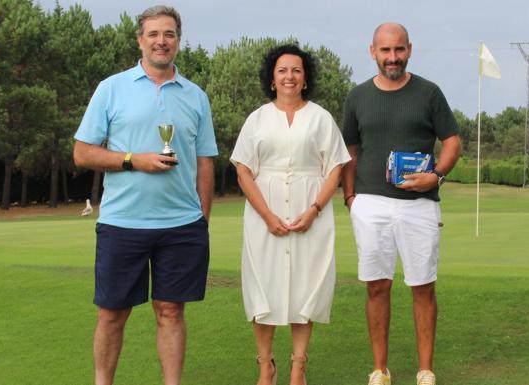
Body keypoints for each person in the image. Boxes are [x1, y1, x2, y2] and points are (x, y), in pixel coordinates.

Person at [72, 6, 217, 385]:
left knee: (170, 312)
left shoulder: (195, 96)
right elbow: (82, 152)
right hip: (122, 224)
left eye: (169, 34)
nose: (161, 41)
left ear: (179, 41)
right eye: (153, 34)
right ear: (140, 40)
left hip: (181, 226)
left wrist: (202, 218)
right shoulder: (111, 88)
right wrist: (133, 159)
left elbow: (205, 161)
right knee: (111, 314)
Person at [341, 23, 461, 385]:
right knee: (377, 286)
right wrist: (350, 198)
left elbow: (452, 142)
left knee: (422, 285)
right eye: (385, 51)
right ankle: (380, 369)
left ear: (409, 49)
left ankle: (425, 370)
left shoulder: (429, 93)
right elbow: (349, 151)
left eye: (399, 50)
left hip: (419, 203)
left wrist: (436, 176)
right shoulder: (357, 96)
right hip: (370, 203)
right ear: (372, 51)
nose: (392, 58)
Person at [230, 44, 350, 385]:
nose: (289, 77)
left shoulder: (321, 118)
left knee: (305, 287)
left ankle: (299, 365)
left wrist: (314, 210)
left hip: (310, 212)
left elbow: (335, 169)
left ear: (305, 77)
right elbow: (243, 170)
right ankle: (265, 365)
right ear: (272, 78)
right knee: (263, 287)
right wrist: (267, 215)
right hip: (262, 215)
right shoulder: (257, 119)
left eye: (296, 70)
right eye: (282, 70)